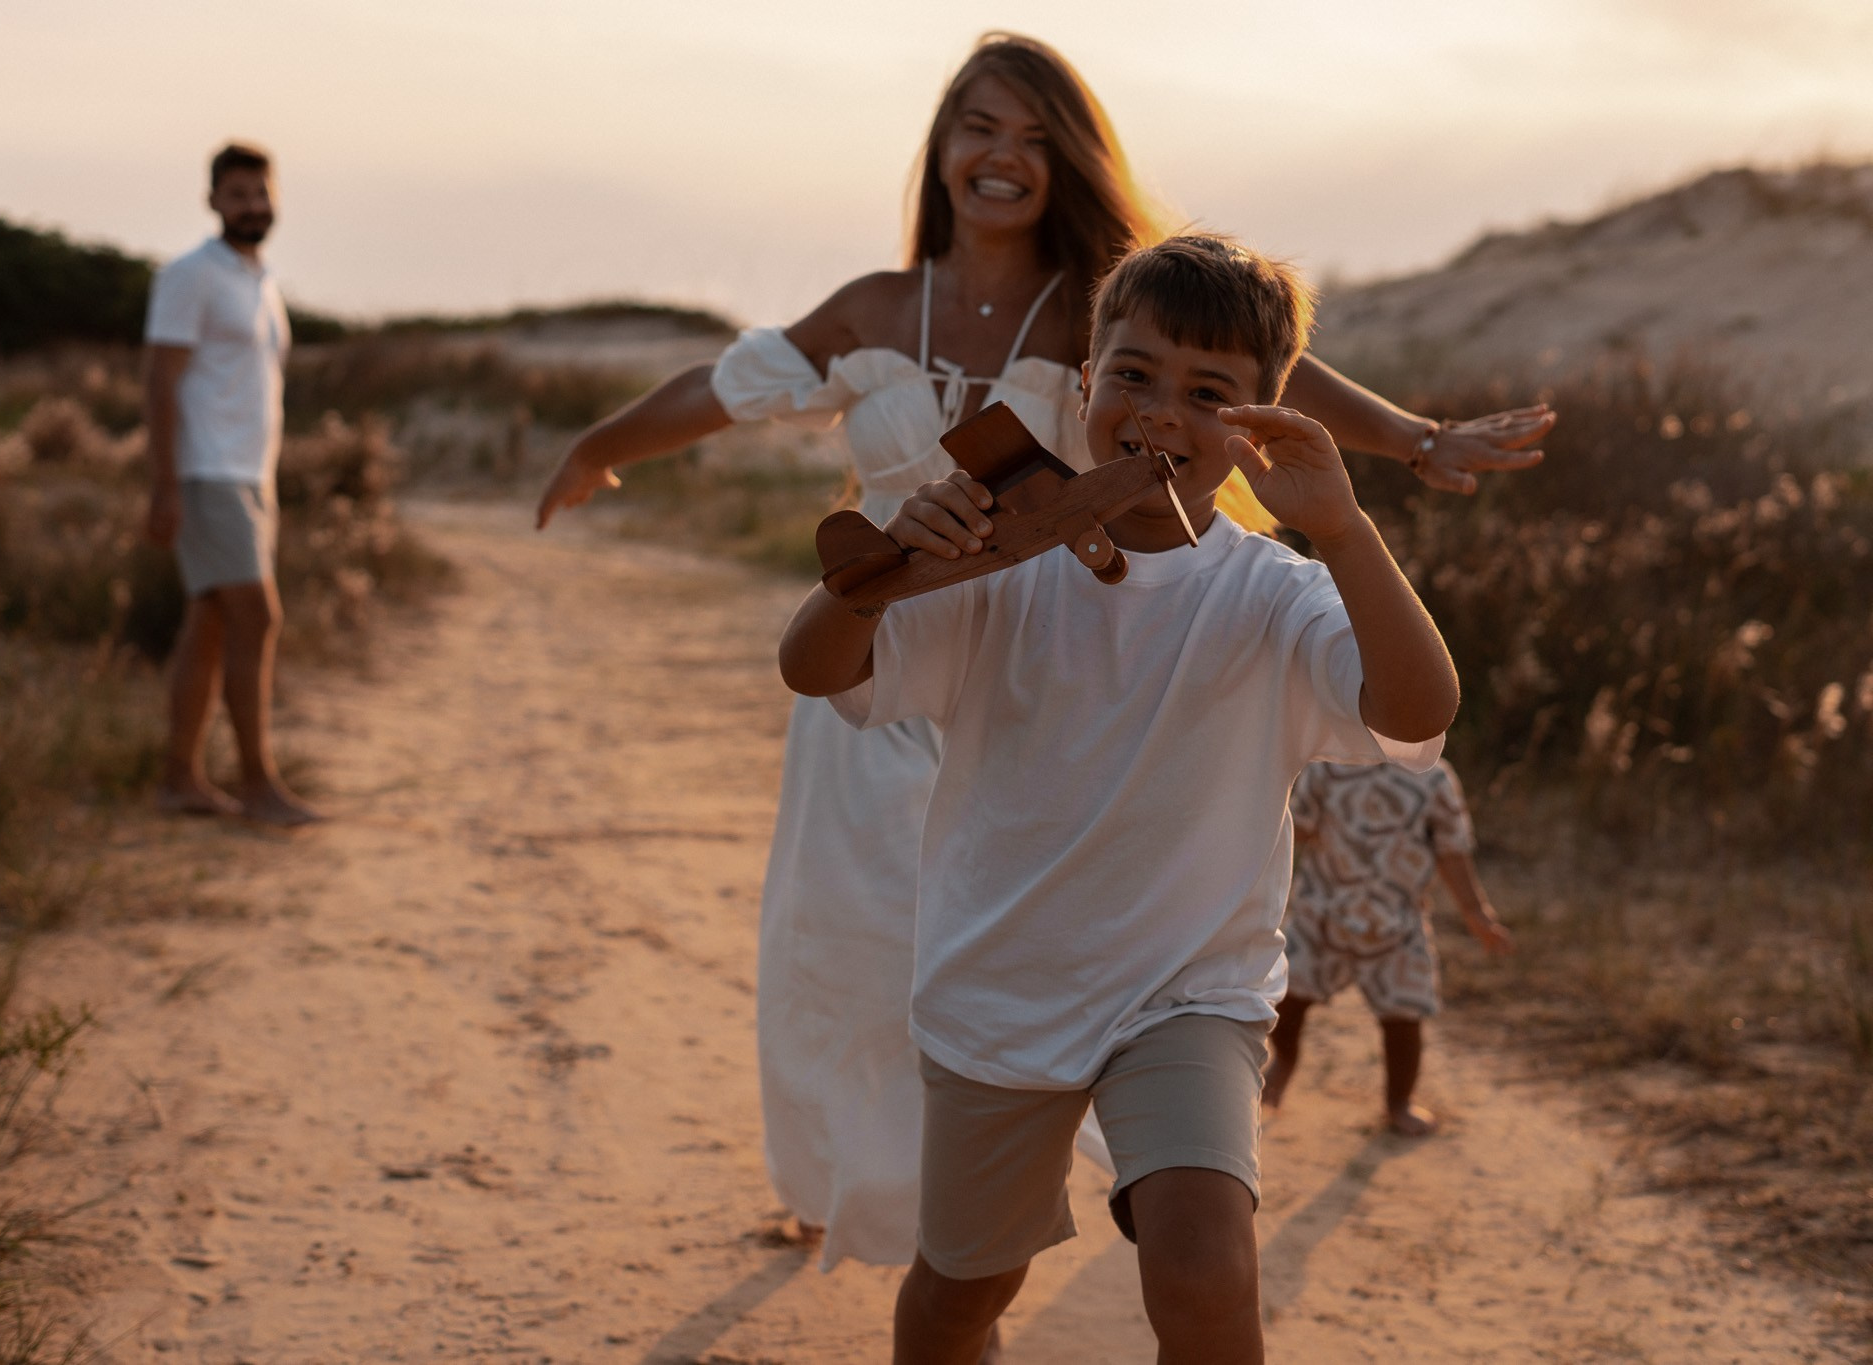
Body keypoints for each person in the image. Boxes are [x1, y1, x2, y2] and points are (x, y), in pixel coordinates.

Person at [535, 33, 1548, 1269]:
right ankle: (876, 1197)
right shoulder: (870, 307)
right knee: (853, 943)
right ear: (941, 151)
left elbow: (1262, 376)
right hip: (894, 635)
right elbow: (723, 384)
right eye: (978, 128)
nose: (1002, 156)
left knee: (1018, 931)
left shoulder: (1092, 308)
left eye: (1031, 135)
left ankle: (1096, 1159)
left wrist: (1415, 440)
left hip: (1040, 651)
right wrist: (602, 445)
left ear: (1068, 157)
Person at [779, 233, 1459, 1364]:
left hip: (1186, 989)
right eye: (1133, 375)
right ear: (1084, 383)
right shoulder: (1000, 558)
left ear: (1259, 424)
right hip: (999, 985)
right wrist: (886, 568)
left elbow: (1415, 712)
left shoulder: (1273, 593)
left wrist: (1343, 532)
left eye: (1209, 394)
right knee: (962, 1292)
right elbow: (816, 667)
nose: (1160, 412)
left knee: (1202, 1271)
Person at [142, 142, 321, 828]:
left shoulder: (261, 280)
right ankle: (258, 785)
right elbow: (160, 377)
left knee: (212, 621)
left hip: (252, 473)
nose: (253, 205)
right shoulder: (191, 275)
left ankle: (179, 778)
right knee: (258, 616)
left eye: (262, 193)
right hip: (206, 469)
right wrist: (164, 485)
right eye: (239, 193)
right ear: (213, 200)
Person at [1261, 757, 1514, 1135]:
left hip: (1397, 925)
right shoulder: (1326, 768)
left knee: (1404, 1016)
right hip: (1324, 916)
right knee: (1290, 995)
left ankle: (1399, 1101)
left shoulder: (1434, 778)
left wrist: (1476, 912)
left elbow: (1452, 849)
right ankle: (1284, 1062)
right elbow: (1294, 830)